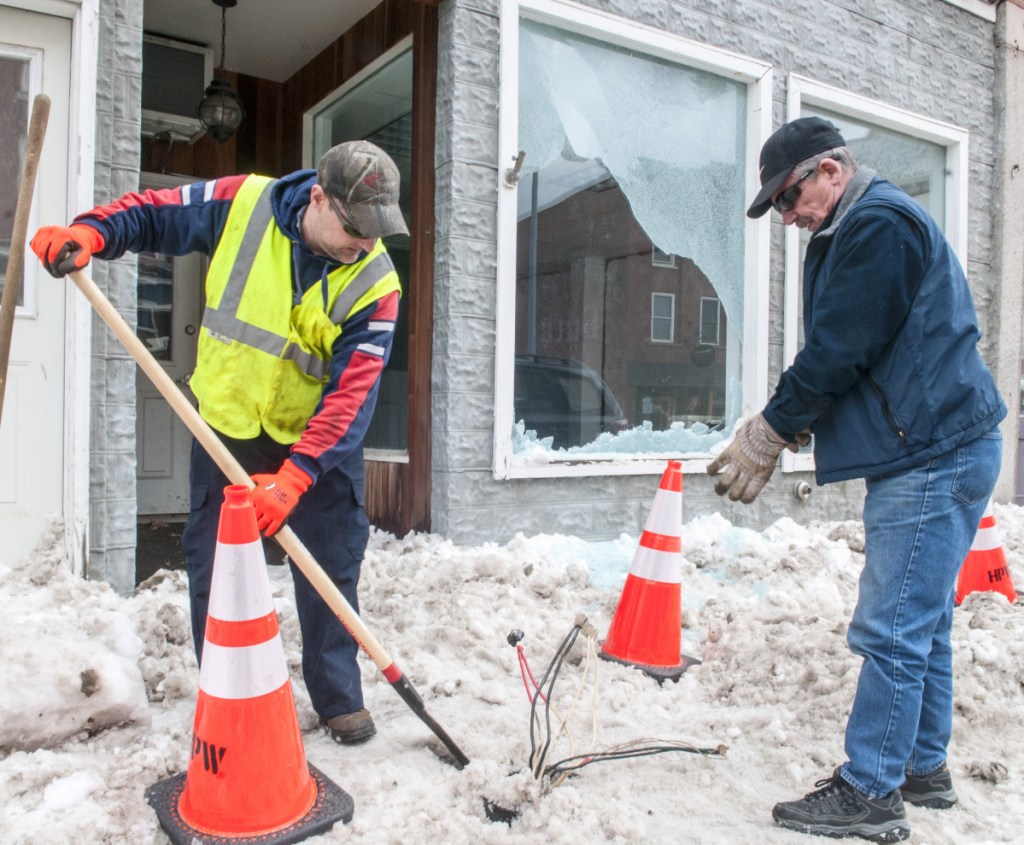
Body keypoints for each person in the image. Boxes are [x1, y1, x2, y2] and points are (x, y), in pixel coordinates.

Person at [31, 140, 408, 747]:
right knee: (219, 566)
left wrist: (297, 475)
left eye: (376, 230)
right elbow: (157, 212)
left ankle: (338, 695)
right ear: (318, 197)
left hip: (315, 442)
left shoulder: (376, 282)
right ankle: (229, 693)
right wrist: (92, 232)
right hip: (225, 426)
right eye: (353, 227)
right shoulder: (244, 202)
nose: (364, 242)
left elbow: (352, 396)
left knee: (332, 567)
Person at [707, 116, 1006, 843]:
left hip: (931, 455)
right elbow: (870, 352)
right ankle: (922, 768)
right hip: (942, 446)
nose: (786, 215)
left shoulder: (877, 225)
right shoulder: (863, 225)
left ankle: (871, 788)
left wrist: (774, 428)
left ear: (830, 170)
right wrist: (807, 414)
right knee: (924, 620)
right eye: (778, 205)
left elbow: (841, 347)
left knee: (892, 625)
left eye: (788, 196)